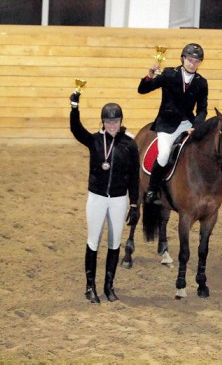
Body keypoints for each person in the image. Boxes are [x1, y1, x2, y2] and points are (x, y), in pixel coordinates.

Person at [69, 92, 140, 303]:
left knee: (115, 242)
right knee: (93, 240)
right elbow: (76, 129)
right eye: (108, 122)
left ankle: (109, 286)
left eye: (115, 121)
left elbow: (135, 176)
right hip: (97, 198)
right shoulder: (95, 141)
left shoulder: (129, 144)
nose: (112, 125)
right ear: (103, 122)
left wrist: (135, 203)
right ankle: (90, 286)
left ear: (120, 122)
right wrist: (74, 108)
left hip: (119, 199)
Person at [138, 43, 209, 204]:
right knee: (163, 155)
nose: (193, 64)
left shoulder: (201, 82)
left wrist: (195, 127)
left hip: (187, 124)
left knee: (208, 149)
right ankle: (153, 189)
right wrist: (149, 76)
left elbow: (202, 110)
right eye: (190, 60)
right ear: (183, 59)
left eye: (196, 61)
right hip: (167, 125)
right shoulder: (170, 74)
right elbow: (143, 90)